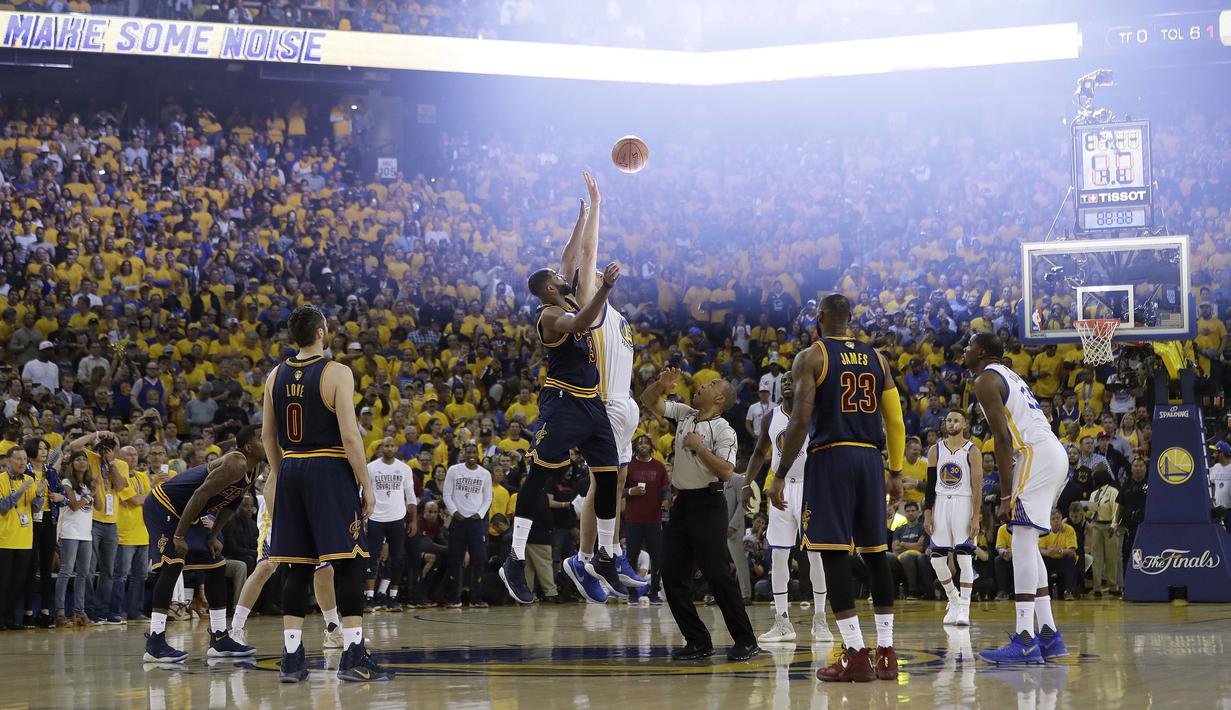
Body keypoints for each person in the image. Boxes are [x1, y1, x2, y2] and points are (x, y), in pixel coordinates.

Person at [775, 294, 905, 683]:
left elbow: (798, 421)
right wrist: (895, 471)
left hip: (831, 457)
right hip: (869, 460)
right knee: (877, 554)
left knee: (832, 554)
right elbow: (895, 422)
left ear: (821, 318)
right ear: (849, 319)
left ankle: (854, 653)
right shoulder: (877, 358)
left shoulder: (811, 357)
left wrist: (781, 473)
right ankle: (886, 652)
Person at [262, 305, 391, 682]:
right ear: (322, 331)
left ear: (293, 337)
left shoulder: (274, 375)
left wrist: (279, 471)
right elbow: (351, 435)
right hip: (329, 468)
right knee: (350, 560)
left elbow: (268, 436)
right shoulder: (337, 372)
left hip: (291, 468)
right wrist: (366, 483)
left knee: (296, 565)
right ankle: (353, 654)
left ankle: (291, 657)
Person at [499, 259, 622, 604]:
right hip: (563, 402)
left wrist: (587, 212)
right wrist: (607, 288)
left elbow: (572, 252)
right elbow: (583, 322)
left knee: (610, 477)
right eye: (557, 277)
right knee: (538, 477)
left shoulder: (565, 297)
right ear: (551, 288)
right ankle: (514, 558)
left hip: (592, 401)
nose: (564, 276)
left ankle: (607, 557)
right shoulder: (550, 315)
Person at [562, 174, 650, 603]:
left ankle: (606, 554)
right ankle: (595, 555)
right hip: (607, 404)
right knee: (605, 484)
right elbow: (584, 254)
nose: (594, 269)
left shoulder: (616, 316)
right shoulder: (590, 310)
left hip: (625, 405)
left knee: (614, 483)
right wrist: (596, 205)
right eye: (589, 274)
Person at [641, 367, 759, 662]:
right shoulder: (685, 413)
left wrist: (699, 448)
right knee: (670, 574)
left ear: (719, 398)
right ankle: (698, 641)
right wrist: (660, 384)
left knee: (717, 575)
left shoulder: (724, 430)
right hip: (682, 505)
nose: (702, 384)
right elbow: (647, 400)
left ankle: (746, 640)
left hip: (709, 504)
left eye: (712, 383)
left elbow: (726, 471)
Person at [966, 332, 1071, 664]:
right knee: (1027, 543)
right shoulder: (1010, 374)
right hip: (1052, 453)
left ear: (981, 352)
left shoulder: (985, 379)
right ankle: (1050, 635)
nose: (964, 351)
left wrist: (1007, 494)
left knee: (1022, 542)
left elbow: (1001, 439)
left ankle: (1025, 639)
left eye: (969, 346)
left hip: (1034, 455)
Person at [141, 425, 265, 663]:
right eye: (262, 438)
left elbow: (232, 502)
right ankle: (155, 642)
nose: (270, 440)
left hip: (190, 511)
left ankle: (219, 638)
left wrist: (213, 536)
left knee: (216, 564)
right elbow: (200, 495)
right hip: (164, 505)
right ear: (249, 446)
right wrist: (179, 536)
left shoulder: (254, 466)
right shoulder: (236, 462)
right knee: (172, 564)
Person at [742, 371, 833, 645]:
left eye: (793, 379)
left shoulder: (817, 414)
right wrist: (747, 483)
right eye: (783, 380)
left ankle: (820, 619)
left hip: (811, 486)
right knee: (778, 555)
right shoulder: (771, 417)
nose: (787, 383)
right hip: (780, 489)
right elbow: (759, 453)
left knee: (816, 555)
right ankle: (782, 622)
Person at [229, 478, 344, 649]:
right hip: (276, 512)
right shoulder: (289, 455)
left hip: (308, 513)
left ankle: (333, 630)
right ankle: (236, 629)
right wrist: (286, 523)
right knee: (266, 566)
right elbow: (269, 488)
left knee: (324, 570)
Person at [924, 409, 982, 627]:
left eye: (956, 420)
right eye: (949, 420)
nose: (952, 423)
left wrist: (976, 516)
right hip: (940, 502)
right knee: (937, 559)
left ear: (965, 424)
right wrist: (928, 513)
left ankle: (965, 608)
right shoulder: (934, 450)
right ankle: (954, 599)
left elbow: (978, 488)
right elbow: (930, 486)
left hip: (963, 502)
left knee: (964, 558)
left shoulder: (973, 451)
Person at [364, 438, 418, 612]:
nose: (389, 448)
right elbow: (363, 494)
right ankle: (369, 597)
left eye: (392, 445)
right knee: (372, 559)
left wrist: (413, 520)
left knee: (398, 559)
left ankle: (392, 597)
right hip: (375, 518)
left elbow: (410, 497)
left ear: (396, 448)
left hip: (397, 518)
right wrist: (364, 519)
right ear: (381, 449)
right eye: (386, 445)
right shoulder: (371, 468)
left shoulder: (404, 469)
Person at [442, 443, 493, 607]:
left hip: (476, 522)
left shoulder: (485, 474)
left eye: (474, 452)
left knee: (479, 560)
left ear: (478, 454)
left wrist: (480, 513)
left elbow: (488, 498)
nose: (471, 454)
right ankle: (453, 598)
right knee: (455, 560)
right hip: (458, 521)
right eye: (468, 452)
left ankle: (476, 598)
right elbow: (447, 494)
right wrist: (454, 511)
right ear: (464, 454)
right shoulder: (454, 470)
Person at [1, 446, 44, 630]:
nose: (22, 463)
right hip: (4, 539)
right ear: (9, 461)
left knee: (18, 583)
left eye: (25, 459)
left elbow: (35, 509)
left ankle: (10, 618)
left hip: (25, 539)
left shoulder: (29, 479)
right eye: (18, 459)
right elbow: (3, 507)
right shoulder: (1, 479)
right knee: (3, 583)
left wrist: (40, 493)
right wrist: (20, 491)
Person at [623, 435, 669, 605]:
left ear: (651, 447)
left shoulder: (659, 467)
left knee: (657, 557)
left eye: (646, 444)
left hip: (654, 519)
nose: (642, 446)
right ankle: (632, 593)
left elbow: (666, 489)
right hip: (633, 519)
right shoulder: (628, 466)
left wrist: (666, 499)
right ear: (635, 447)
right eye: (639, 444)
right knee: (631, 557)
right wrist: (630, 492)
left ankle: (654, 592)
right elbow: (619, 490)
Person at [55, 450, 95, 627]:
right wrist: (89, 496)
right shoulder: (66, 482)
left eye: (84, 459)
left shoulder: (87, 485)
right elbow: (74, 505)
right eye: (78, 459)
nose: (82, 462)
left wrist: (96, 489)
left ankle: (79, 612)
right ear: (71, 463)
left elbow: (99, 506)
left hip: (86, 534)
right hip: (69, 532)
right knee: (66, 571)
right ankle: (60, 613)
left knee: (83, 573)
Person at [1087, 467, 1122, 597]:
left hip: (1109, 527)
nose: (1094, 480)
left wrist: (1114, 525)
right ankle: (1097, 587)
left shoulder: (1113, 491)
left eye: (1095, 477)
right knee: (1096, 558)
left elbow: (1116, 510)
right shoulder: (1093, 494)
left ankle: (1113, 586)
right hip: (1096, 526)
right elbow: (1090, 512)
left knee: (1111, 558)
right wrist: (1085, 508)